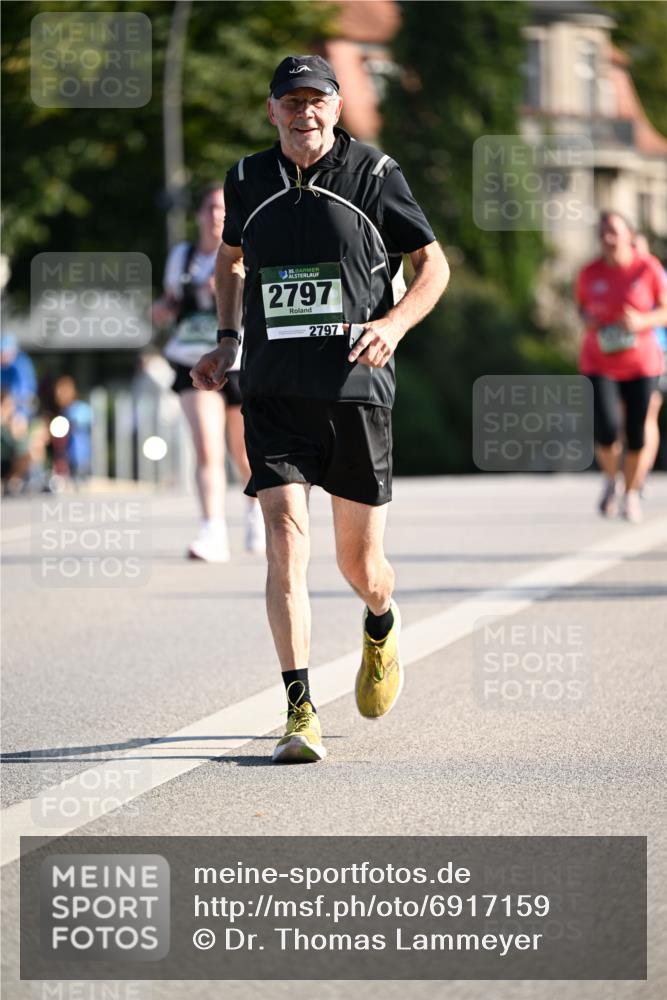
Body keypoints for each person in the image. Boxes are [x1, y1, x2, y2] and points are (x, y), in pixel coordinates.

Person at [191, 55, 449, 763]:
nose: (305, 111)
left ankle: (379, 619)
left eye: (317, 99)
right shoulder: (245, 179)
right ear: (271, 110)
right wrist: (223, 341)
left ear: (336, 108)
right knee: (282, 538)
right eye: (291, 100)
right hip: (272, 389)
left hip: (353, 392)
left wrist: (391, 326)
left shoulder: (373, 175)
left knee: (359, 565)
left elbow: (434, 265)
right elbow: (229, 258)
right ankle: (298, 709)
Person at [155, 183, 264, 561]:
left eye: (223, 209)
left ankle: (255, 515)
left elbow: (259, 299)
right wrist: (163, 309)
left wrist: (225, 286)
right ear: (199, 215)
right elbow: (171, 300)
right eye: (210, 208)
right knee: (206, 447)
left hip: (238, 360)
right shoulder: (181, 256)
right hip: (192, 358)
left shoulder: (245, 249)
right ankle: (212, 530)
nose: (217, 215)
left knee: (245, 453)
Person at [576, 211, 667, 523]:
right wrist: (586, 319)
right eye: (603, 232)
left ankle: (629, 493)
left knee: (636, 433)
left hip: (642, 363)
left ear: (629, 235)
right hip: (599, 361)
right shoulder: (590, 272)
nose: (608, 238)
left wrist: (643, 320)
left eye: (613, 231)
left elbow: (665, 311)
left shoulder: (648, 268)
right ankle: (610, 479)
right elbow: (581, 307)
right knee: (606, 429)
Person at [633, 233, 666, 490]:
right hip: (622, 357)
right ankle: (629, 469)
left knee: (647, 413)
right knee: (624, 419)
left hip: (656, 353)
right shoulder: (619, 277)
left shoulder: (657, 275)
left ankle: (641, 472)